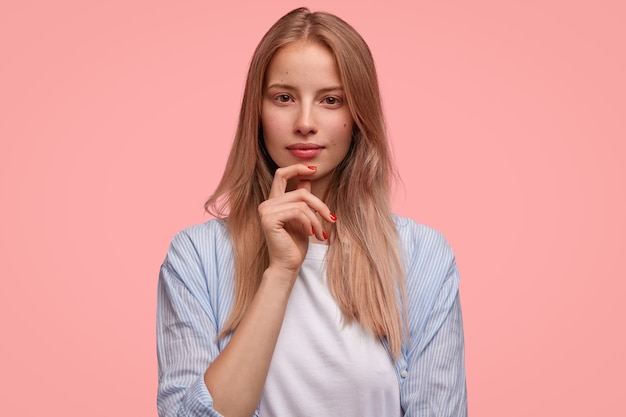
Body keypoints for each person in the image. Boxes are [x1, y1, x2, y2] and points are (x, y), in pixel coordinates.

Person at [157, 7, 467, 417]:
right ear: (258, 112)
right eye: (284, 98)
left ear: (358, 116)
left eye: (331, 100)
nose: (305, 122)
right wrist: (280, 274)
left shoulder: (422, 256)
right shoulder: (197, 257)